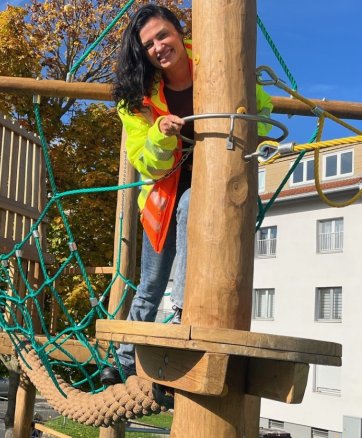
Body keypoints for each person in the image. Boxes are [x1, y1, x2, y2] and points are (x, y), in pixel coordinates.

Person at [101, 4, 272, 387]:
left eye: (163, 35)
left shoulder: (215, 60)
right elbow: (147, 163)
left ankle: (181, 317)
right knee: (149, 284)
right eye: (148, 44)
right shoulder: (139, 97)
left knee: (195, 203)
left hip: (212, 186)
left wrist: (251, 118)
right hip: (163, 196)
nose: (159, 46)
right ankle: (124, 359)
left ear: (179, 32)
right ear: (142, 53)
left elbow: (258, 102)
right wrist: (162, 132)